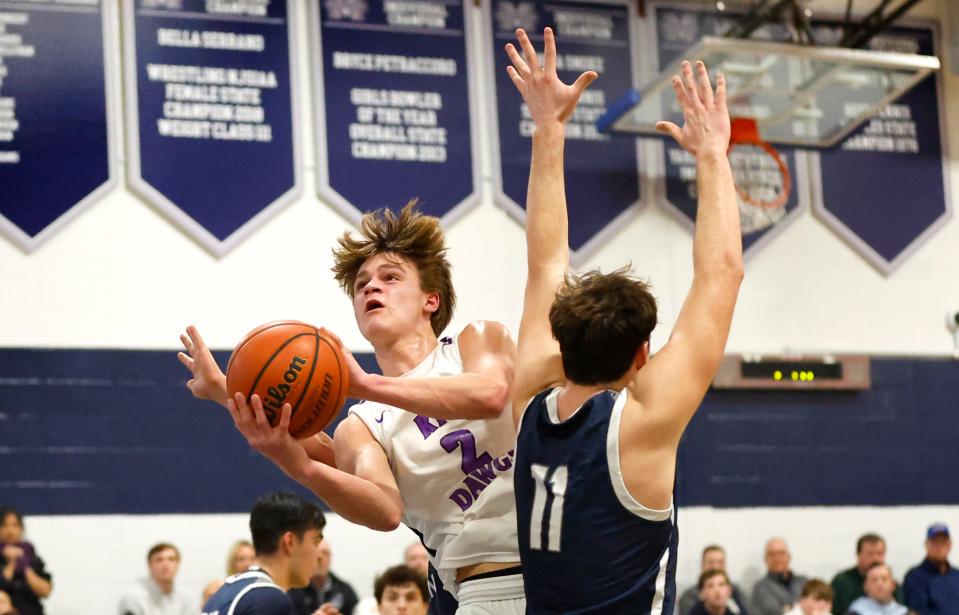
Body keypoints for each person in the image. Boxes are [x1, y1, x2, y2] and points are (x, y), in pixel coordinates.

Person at [179, 203, 523, 614]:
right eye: (361, 285)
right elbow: (384, 510)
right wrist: (233, 397)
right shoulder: (362, 424)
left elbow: (490, 395)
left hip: (572, 548)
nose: (370, 288)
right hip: (488, 583)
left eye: (390, 277)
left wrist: (365, 384)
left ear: (431, 299)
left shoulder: (476, 341)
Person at [503, 26, 742, 614]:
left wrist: (549, 128)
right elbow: (723, 275)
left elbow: (545, 260)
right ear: (641, 355)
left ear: (559, 339)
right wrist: (712, 155)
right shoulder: (642, 422)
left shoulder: (529, 394)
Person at [202, 491, 326, 615]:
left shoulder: (224, 591)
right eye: (315, 542)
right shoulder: (270, 600)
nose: (320, 556)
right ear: (289, 542)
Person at [831, 534, 903, 615]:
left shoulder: (891, 584)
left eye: (879, 554)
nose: (875, 558)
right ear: (858, 555)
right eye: (870, 554)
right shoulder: (841, 582)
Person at [118, 543, 195, 615]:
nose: (166, 564)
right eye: (159, 560)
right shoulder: (133, 597)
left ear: (178, 564)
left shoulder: (187, 596)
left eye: (171, 559)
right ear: (149, 565)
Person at [0, 508, 51, 615]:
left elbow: (45, 591)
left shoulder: (32, 557)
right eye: (4, 525)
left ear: (22, 529)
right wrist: (12, 562)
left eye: (15, 525)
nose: (10, 530)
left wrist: (24, 566)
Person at [288, 540, 359, 615]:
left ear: (330, 558)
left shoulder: (345, 591)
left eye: (325, 553)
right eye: (316, 553)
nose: (320, 558)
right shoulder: (293, 589)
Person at [902, 523, 959, 615]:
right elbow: (917, 611)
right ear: (926, 544)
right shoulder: (914, 577)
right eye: (935, 542)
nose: (940, 547)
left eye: (943, 542)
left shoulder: (957, 576)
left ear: (950, 545)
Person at [679, 545, 750, 615]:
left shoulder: (737, 592)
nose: (715, 567)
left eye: (720, 562)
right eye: (711, 562)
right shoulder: (688, 597)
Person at [752, 538, 808, 615]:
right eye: (772, 554)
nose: (777, 558)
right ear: (765, 559)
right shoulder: (761, 587)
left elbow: (819, 605)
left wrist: (788, 607)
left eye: (781, 553)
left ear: (789, 557)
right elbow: (775, 612)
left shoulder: (804, 582)